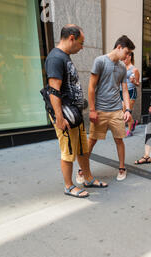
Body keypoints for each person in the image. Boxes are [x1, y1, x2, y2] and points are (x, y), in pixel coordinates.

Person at [45, 24, 107, 198]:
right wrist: (59, 117)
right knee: (69, 151)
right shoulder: (55, 58)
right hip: (65, 115)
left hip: (74, 113)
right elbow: (53, 90)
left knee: (81, 148)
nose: (82, 47)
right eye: (81, 43)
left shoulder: (64, 57)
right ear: (71, 38)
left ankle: (87, 178)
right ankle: (68, 186)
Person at [84, 35, 135, 182]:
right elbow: (91, 87)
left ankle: (121, 167)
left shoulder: (122, 68)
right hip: (100, 110)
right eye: (126, 52)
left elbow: (125, 90)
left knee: (119, 140)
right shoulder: (100, 61)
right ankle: (83, 169)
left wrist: (127, 110)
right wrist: (92, 110)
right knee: (92, 140)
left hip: (116, 110)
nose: (127, 56)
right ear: (119, 47)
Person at [123, 52, 140, 137]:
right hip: (122, 91)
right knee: (123, 111)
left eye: (125, 58)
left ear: (130, 57)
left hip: (131, 91)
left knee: (127, 111)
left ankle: (129, 131)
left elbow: (138, 84)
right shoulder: (122, 68)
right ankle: (133, 123)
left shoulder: (134, 70)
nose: (123, 59)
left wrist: (134, 81)